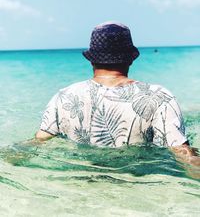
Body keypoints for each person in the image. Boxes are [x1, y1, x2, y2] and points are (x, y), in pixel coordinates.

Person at [35, 21, 200, 168]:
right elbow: (183, 154)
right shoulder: (159, 97)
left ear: (91, 59)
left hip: (80, 187)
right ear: (131, 59)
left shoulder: (63, 97)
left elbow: (38, 141)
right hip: (138, 189)